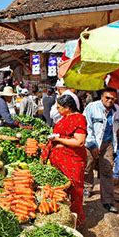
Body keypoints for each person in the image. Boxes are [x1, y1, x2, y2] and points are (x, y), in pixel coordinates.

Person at [41, 94, 87, 224]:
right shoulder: (65, 118)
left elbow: (79, 142)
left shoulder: (79, 118)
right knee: (61, 191)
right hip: (60, 161)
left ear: (67, 107)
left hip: (72, 161)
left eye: (59, 107)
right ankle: (62, 217)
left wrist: (58, 139)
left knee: (75, 190)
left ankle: (75, 219)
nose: (57, 110)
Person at [83, 88, 119, 213]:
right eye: (107, 98)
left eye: (113, 99)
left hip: (108, 143)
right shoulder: (91, 107)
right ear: (102, 97)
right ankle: (87, 187)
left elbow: (117, 127)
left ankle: (108, 201)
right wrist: (92, 145)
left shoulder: (117, 110)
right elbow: (86, 126)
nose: (110, 100)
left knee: (107, 170)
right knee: (88, 167)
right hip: (91, 142)